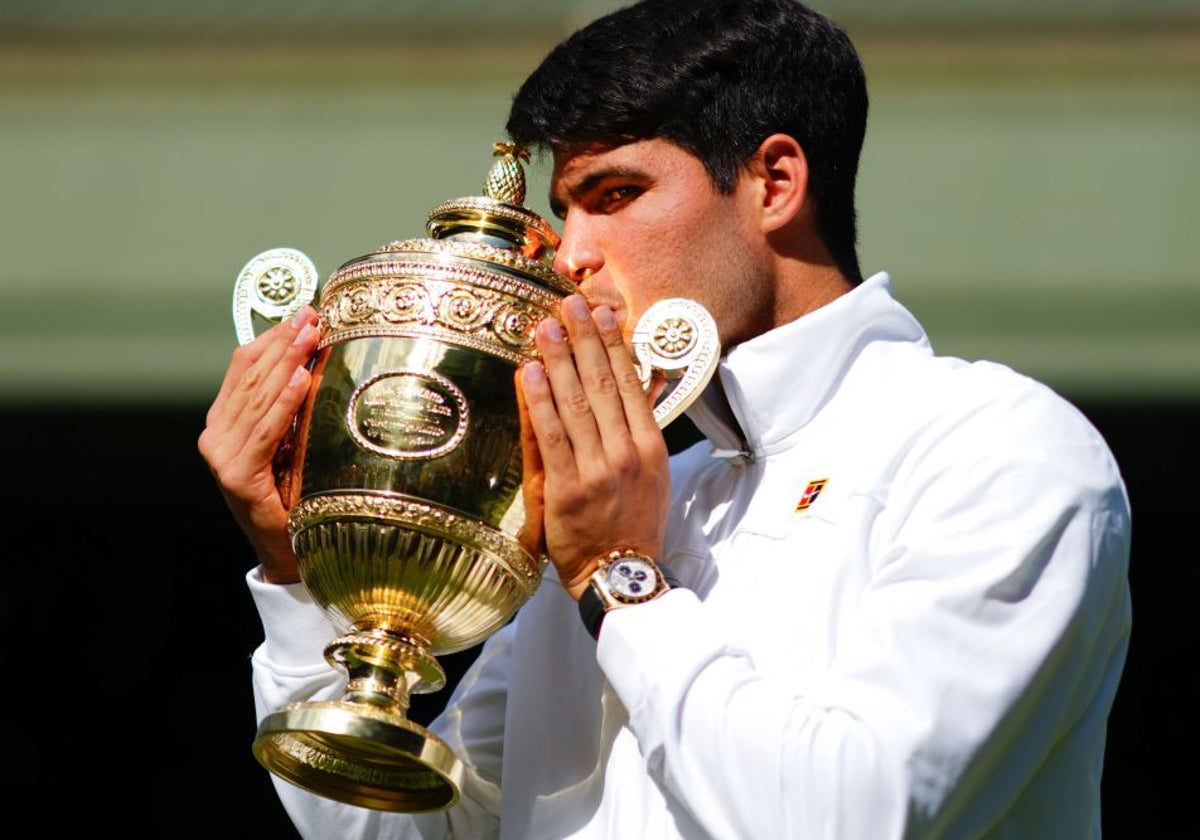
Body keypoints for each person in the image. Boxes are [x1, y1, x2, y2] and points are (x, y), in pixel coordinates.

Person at [198, 0, 1133, 837]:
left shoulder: (998, 445)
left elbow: (859, 813)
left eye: (616, 196)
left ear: (775, 182)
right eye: (565, 211)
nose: (572, 257)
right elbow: (411, 831)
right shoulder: (636, 489)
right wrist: (294, 571)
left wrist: (620, 580)